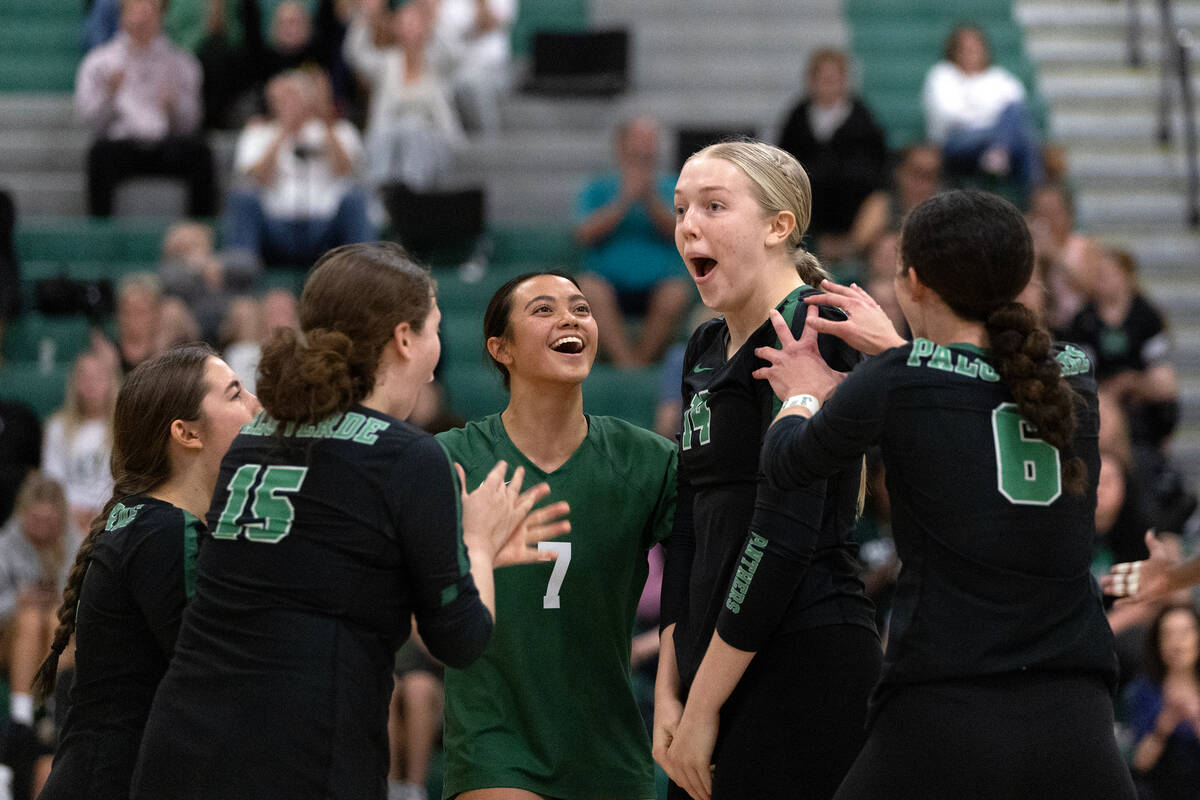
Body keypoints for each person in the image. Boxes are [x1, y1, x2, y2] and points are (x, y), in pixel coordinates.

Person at [130, 242, 567, 800]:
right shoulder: (409, 456)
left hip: (181, 744)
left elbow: (329, 584)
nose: (437, 355)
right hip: (302, 756)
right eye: (434, 329)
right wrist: (476, 544)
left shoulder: (254, 439)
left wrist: (454, 555)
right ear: (404, 340)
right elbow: (461, 640)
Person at [755, 189, 1134, 798]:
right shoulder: (1073, 373)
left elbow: (786, 462)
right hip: (1077, 716)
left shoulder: (898, 379)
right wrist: (898, 356)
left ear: (913, 281)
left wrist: (801, 392)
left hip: (944, 710)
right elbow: (971, 390)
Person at [656, 140, 879, 800]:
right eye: (680, 209)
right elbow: (688, 522)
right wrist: (673, 686)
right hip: (712, 671)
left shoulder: (816, 330)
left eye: (714, 206)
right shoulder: (704, 342)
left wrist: (701, 706)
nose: (688, 224)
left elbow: (781, 537)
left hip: (804, 655)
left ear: (779, 226)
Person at [436, 270, 677, 800]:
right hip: (494, 745)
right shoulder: (452, 459)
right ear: (501, 350)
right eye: (543, 309)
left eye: (581, 308)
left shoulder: (647, 459)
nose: (570, 317)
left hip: (609, 747)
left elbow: (703, 576)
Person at [32, 344, 258, 800]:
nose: (255, 404)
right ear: (186, 433)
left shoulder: (143, 519)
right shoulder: (166, 532)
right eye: (235, 394)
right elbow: (223, 676)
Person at [74, 0, 217, 217]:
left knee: (201, 153)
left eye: (150, 11)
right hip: (122, 144)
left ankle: (198, 231)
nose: (143, 18)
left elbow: (191, 122)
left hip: (166, 143)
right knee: (99, 155)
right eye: (136, 10)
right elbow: (90, 121)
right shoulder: (99, 62)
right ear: (122, 15)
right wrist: (108, 97)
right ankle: (101, 233)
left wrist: (174, 105)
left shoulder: (181, 62)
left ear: (161, 16)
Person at [223, 69, 377, 268]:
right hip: (275, 225)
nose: (291, 103)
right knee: (242, 199)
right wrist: (285, 129)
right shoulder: (258, 133)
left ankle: (367, 276)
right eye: (283, 97)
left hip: (326, 225)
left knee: (355, 199)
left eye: (296, 96)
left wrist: (325, 121)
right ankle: (239, 281)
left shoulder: (340, 130)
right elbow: (258, 178)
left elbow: (346, 171)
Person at [575, 117, 693, 368]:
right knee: (588, 288)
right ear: (621, 147)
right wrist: (623, 201)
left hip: (658, 283)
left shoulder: (674, 187)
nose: (645, 149)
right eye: (639, 140)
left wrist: (650, 199)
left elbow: (683, 232)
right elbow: (584, 234)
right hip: (608, 282)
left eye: (651, 141)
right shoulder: (598, 188)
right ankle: (627, 364)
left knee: (676, 293)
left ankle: (639, 361)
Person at [0, 473, 82, 800]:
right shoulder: (7, 541)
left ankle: (50, 706)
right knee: (32, 617)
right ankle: (22, 717)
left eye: (49, 520)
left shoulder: (75, 543)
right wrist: (17, 601)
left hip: (56, 635)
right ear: (24, 513)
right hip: (12, 635)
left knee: (53, 617)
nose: (41, 527)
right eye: (35, 519)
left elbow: (83, 603)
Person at [777, 48, 887, 262]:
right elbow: (782, 162)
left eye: (833, 78)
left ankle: (852, 251)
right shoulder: (797, 118)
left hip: (854, 207)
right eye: (823, 78)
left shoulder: (863, 118)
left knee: (879, 204)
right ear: (811, 80)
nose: (828, 84)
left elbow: (878, 167)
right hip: (811, 207)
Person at [344, 0, 465, 193]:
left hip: (433, 140)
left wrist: (436, 19)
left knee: (411, 129)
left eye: (415, 23)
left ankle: (411, 196)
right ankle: (380, 194)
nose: (409, 29)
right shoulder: (386, 63)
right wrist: (364, 20)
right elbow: (356, 55)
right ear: (396, 28)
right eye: (404, 23)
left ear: (426, 26)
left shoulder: (438, 62)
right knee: (389, 132)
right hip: (389, 141)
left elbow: (457, 53)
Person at [921, 24, 1042, 201]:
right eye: (965, 47)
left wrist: (977, 111)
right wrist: (993, 119)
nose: (971, 52)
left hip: (991, 141)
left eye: (975, 46)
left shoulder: (998, 77)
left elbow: (1017, 104)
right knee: (1022, 139)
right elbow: (951, 116)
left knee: (1019, 123)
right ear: (954, 50)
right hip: (956, 142)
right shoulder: (942, 75)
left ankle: (999, 152)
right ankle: (1036, 200)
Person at [1123, 603, 1200, 800]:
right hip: (1158, 789)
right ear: (1157, 643)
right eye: (1168, 634)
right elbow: (1140, 762)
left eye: (1185, 633)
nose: (1177, 644)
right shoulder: (1143, 689)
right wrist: (1164, 725)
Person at [41, 352, 119, 533]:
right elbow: (52, 480)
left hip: (111, 515)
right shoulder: (57, 426)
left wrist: (101, 513)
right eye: (83, 377)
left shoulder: (124, 426)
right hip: (65, 516)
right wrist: (69, 512)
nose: (90, 384)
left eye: (98, 377)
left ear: (111, 381)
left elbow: (125, 481)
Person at [847, 142, 942, 261]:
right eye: (916, 173)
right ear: (900, 173)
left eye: (930, 176)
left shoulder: (944, 210)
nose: (922, 184)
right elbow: (857, 245)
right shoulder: (881, 203)